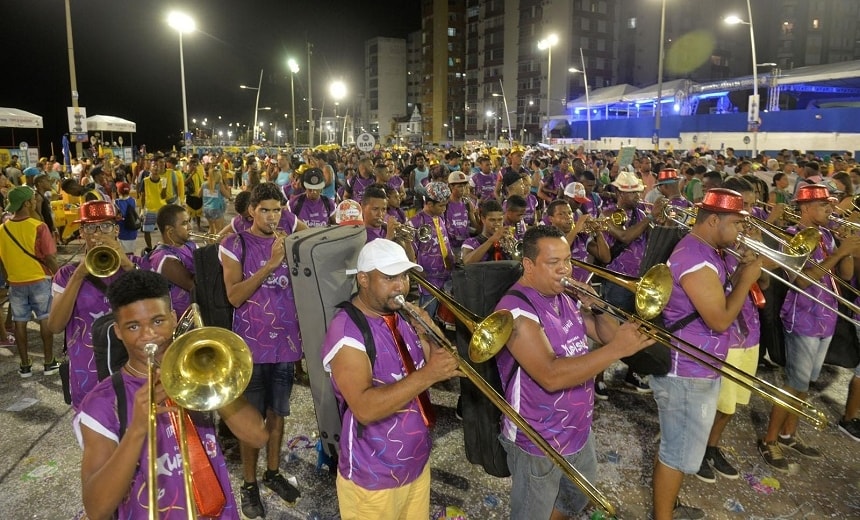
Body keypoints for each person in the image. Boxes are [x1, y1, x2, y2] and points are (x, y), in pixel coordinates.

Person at [74, 269, 268, 519]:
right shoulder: (100, 404)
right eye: (133, 326)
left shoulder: (195, 374)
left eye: (158, 321)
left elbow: (257, 437)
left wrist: (211, 378)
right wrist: (136, 431)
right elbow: (96, 509)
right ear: (119, 332)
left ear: (174, 318)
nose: (148, 335)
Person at [494, 225, 654, 520]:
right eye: (554, 263)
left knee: (575, 498)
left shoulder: (564, 297)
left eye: (567, 260)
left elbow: (605, 335)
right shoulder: (515, 312)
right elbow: (550, 375)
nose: (565, 269)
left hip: (578, 428)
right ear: (529, 265)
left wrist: (598, 309)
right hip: (538, 439)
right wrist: (617, 351)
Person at [321, 239, 460, 519]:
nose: (401, 286)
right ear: (363, 279)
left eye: (405, 276)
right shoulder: (347, 332)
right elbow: (364, 408)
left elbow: (446, 361)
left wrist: (428, 329)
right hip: (373, 477)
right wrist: (428, 374)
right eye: (389, 277)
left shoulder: (401, 316)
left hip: (415, 463)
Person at [651, 188, 762, 520]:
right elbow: (719, 319)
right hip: (686, 369)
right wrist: (748, 279)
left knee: (683, 448)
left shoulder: (710, 249)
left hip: (701, 364)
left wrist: (742, 268)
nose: (742, 232)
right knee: (676, 453)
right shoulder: (694, 257)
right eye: (737, 224)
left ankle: (668, 508)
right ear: (714, 220)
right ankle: (662, 516)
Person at [759, 184, 860, 472]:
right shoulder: (792, 236)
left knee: (805, 385)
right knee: (794, 384)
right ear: (804, 209)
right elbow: (801, 281)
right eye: (823, 206)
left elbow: (845, 276)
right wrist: (840, 253)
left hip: (826, 318)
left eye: (830, 205)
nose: (830, 210)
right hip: (802, 317)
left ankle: (789, 435)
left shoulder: (828, 234)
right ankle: (769, 440)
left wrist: (848, 251)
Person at [220, 182, 304, 518]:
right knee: (250, 420)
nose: (272, 216)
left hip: (285, 343)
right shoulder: (234, 243)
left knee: (278, 413)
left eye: (277, 209)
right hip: (250, 348)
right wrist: (270, 264)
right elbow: (234, 296)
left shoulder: (289, 242)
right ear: (251, 211)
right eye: (265, 209)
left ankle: (272, 473)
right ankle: (250, 483)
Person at [48, 201, 141, 408]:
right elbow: (55, 326)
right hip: (88, 373)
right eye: (90, 227)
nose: (98, 233)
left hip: (134, 366)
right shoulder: (66, 275)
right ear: (81, 232)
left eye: (106, 226)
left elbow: (155, 301)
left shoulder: (138, 265)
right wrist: (80, 274)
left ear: (116, 230)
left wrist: (126, 263)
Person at [0, 185, 59, 377]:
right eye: (33, 199)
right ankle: (49, 362)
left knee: (19, 322)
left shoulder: (2, 229)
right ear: (26, 203)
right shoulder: (38, 226)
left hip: (15, 282)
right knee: (44, 319)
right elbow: (50, 257)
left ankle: (25, 365)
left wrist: (9, 277)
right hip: (39, 279)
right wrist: (59, 275)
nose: (35, 202)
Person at [409, 181, 455, 316]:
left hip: (446, 275)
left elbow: (445, 241)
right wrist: (416, 271)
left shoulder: (440, 218)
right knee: (428, 315)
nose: (445, 209)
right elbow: (409, 251)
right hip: (428, 279)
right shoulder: (415, 223)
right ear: (429, 204)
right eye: (441, 206)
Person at [148, 205, 197, 317]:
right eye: (184, 223)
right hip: (178, 321)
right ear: (170, 231)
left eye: (189, 221)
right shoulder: (163, 257)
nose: (190, 227)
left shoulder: (190, 245)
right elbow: (193, 285)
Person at [460, 199, 509, 264]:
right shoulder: (470, 242)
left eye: (500, 220)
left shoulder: (507, 241)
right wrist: (491, 240)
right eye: (492, 220)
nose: (497, 224)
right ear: (483, 219)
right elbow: (467, 262)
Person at [138, 157, 168, 251]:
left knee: (164, 230)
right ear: (150, 168)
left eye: (157, 166)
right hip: (150, 209)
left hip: (161, 209)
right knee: (147, 230)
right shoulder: (145, 180)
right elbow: (143, 196)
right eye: (153, 166)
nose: (155, 168)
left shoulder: (163, 180)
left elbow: (163, 196)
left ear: (160, 169)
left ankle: (166, 247)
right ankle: (150, 249)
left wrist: (163, 187)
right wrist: (142, 209)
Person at [201, 164, 232, 235]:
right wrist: (227, 188)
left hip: (206, 209)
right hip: (216, 209)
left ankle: (210, 243)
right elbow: (228, 196)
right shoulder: (219, 185)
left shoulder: (204, 184)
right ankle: (215, 245)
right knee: (218, 230)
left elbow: (199, 194)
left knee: (211, 229)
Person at [113, 182, 139, 254]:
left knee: (122, 254)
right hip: (133, 231)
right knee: (131, 252)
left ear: (118, 191)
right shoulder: (133, 200)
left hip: (122, 232)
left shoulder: (116, 202)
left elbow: (115, 217)